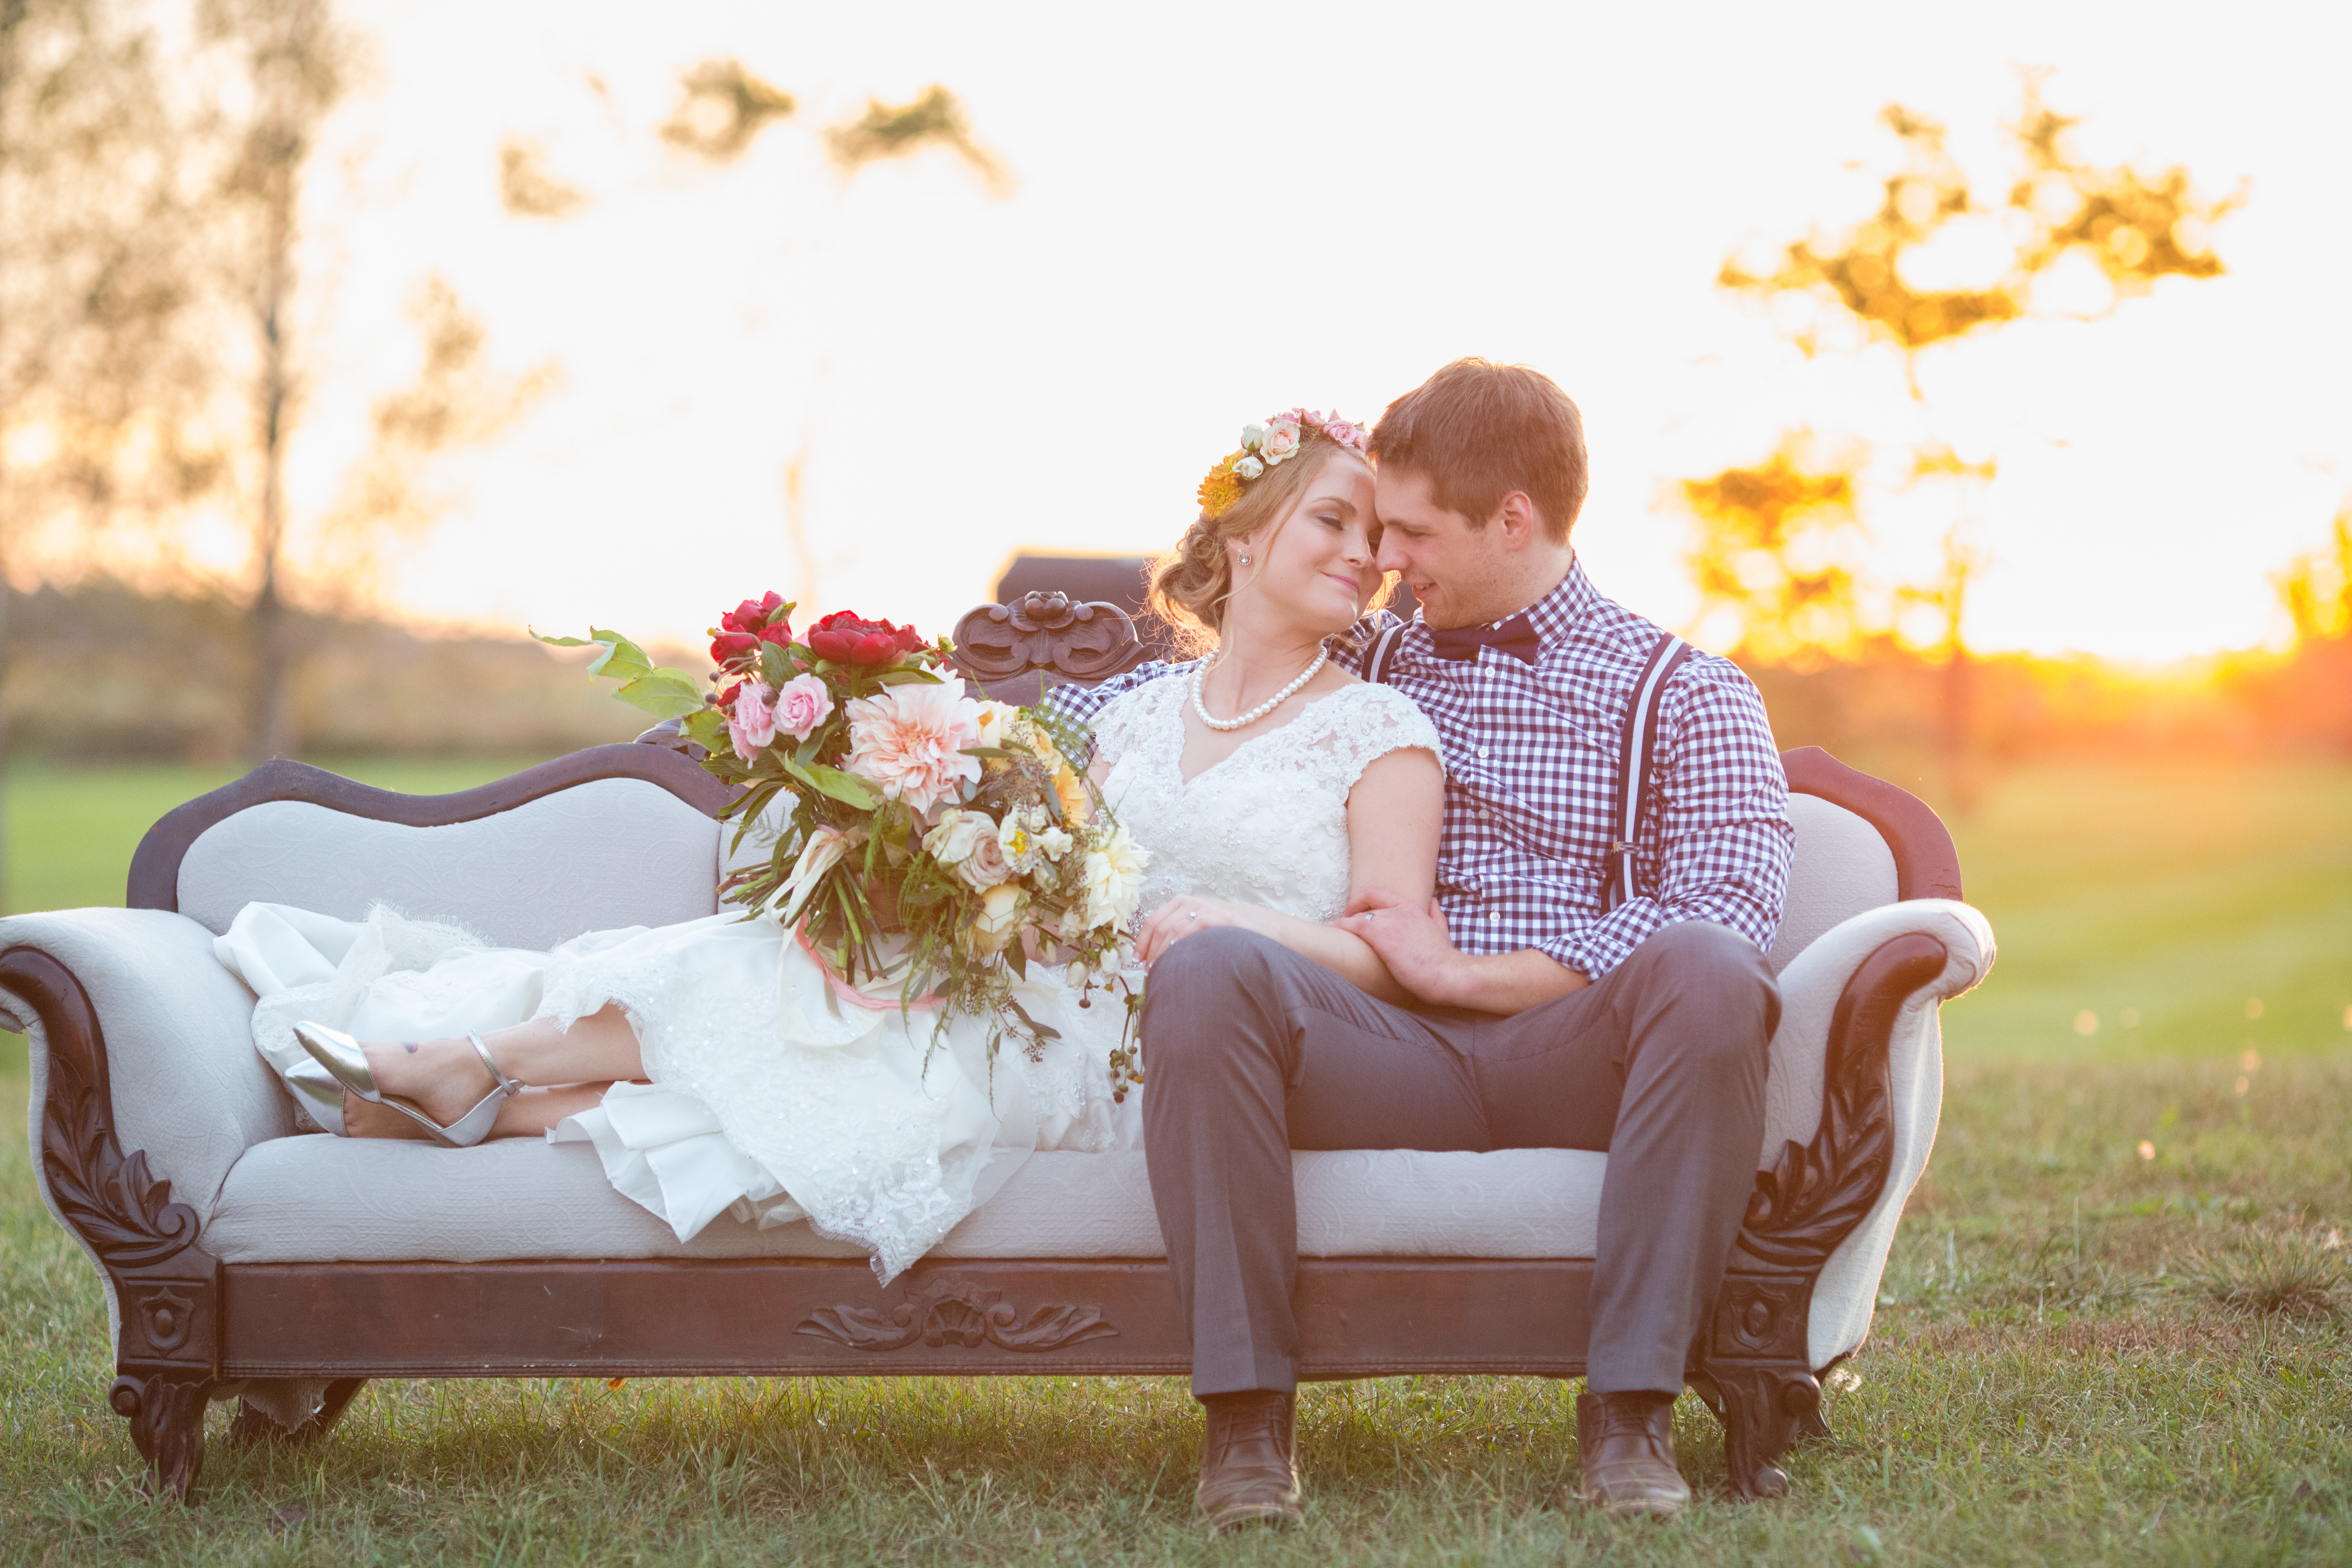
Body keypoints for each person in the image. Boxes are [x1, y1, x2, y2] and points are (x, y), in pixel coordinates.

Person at [229, 405, 1446, 1296]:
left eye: (1378, 538)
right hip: (1038, 993)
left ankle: (473, 1067)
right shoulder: (1129, 717)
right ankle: (477, 1089)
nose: (1366, 554)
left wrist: (1243, 928)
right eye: (1334, 520)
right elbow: (1056, 865)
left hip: (1162, 1058)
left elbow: (1393, 958)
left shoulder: (1380, 731)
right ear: (1245, 537)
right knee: (810, 1001)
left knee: (824, 1028)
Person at [1047, 360, 1793, 1526]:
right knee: (1207, 968)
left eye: (1413, 534)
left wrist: (1471, 976)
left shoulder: (1690, 694)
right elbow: (1187, 700)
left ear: (1514, 520)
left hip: (1573, 1055)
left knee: (1710, 970)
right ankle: (1246, 1427)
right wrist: (941, 757)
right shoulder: (1370, 657)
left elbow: (1731, 901)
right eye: (1375, 533)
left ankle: (1632, 1417)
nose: (1385, 562)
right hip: (1376, 1048)